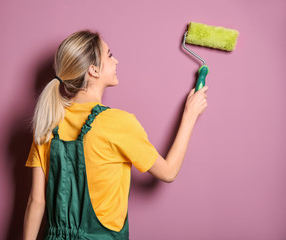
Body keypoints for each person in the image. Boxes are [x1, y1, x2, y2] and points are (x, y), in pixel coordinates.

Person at [23, 30, 208, 240]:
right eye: (109, 55)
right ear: (93, 70)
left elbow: (36, 202)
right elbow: (168, 172)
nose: (116, 61)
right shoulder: (118, 122)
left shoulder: (48, 122)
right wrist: (190, 114)